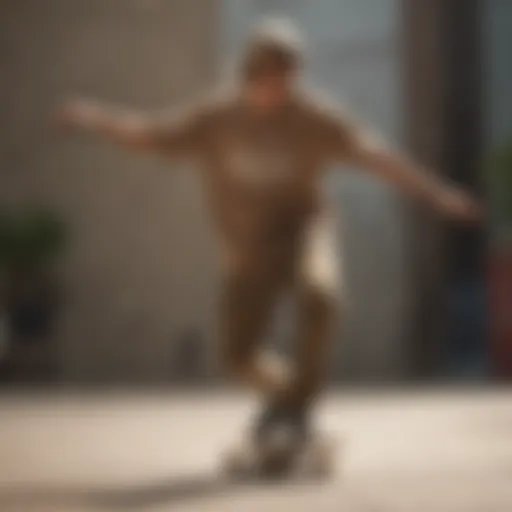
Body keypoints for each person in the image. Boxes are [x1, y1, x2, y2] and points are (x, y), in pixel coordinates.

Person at [57, 19, 481, 446]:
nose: (281, 90)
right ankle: (289, 400)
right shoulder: (217, 118)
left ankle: (296, 408)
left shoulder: (313, 118)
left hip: (304, 230)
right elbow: (150, 134)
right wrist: (95, 119)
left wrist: (438, 194)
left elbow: (377, 157)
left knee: (322, 294)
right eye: (272, 78)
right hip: (246, 250)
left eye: (289, 78)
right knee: (236, 358)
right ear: (251, 74)